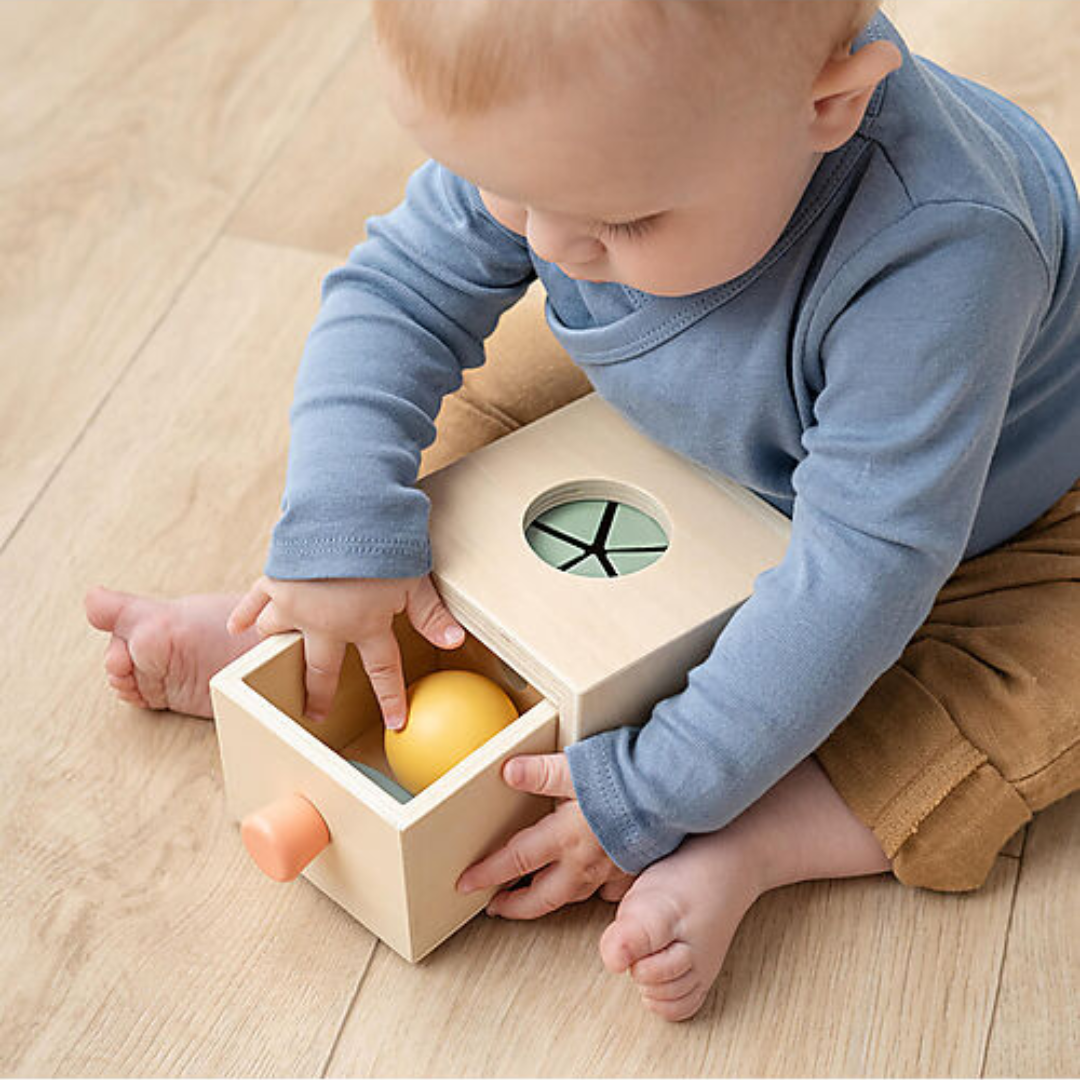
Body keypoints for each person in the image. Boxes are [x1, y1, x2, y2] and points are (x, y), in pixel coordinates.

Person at [85, 0, 1080, 1022]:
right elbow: (399, 292)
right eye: (508, 194)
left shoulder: (947, 253)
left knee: (1036, 683)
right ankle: (298, 634)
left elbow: (861, 572)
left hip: (958, 524)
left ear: (830, 104)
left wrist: (660, 793)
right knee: (449, 432)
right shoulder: (570, 147)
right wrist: (342, 526)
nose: (551, 243)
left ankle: (767, 837)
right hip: (670, 421)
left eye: (625, 219)